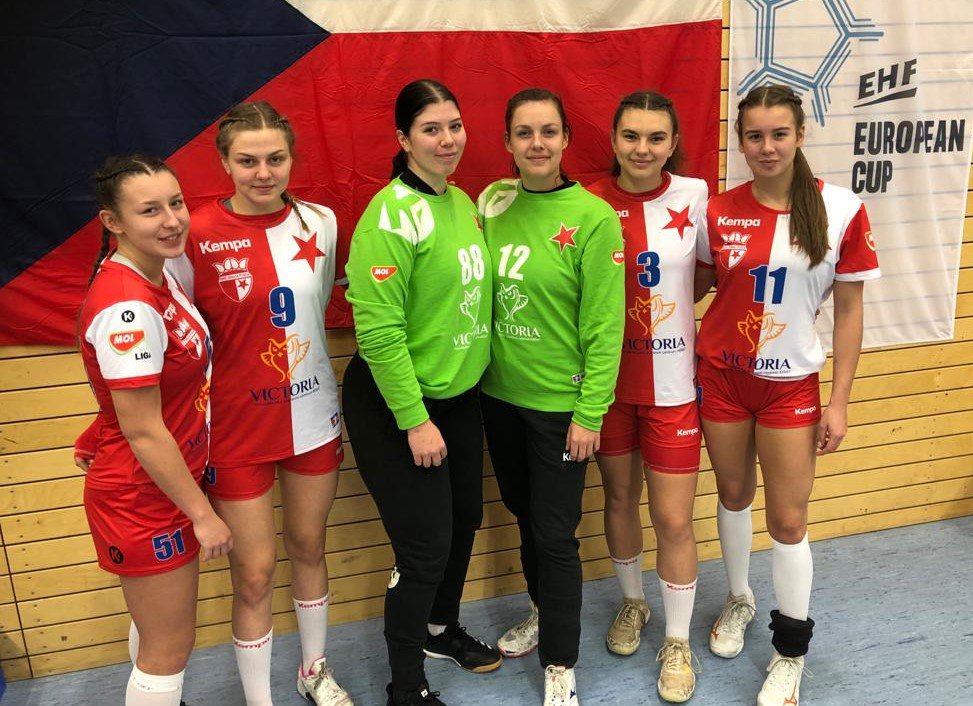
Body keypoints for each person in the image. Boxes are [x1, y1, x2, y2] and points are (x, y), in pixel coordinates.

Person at [695, 84, 880, 706]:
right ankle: (739, 598)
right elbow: (691, 286)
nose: (767, 146)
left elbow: (849, 312)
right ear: (741, 142)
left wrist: (839, 402)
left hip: (789, 388)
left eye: (779, 134)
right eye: (755, 136)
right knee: (732, 494)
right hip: (722, 378)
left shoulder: (841, 208)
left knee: (789, 520)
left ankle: (790, 652)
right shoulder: (718, 211)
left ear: (800, 134)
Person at [167, 101, 351, 706]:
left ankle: (313, 670)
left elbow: (319, 306)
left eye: (276, 158)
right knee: (252, 572)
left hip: (313, 418)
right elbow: (182, 336)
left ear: (292, 159)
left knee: (309, 547)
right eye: (247, 161)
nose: (263, 172)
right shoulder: (194, 235)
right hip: (236, 430)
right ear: (224, 163)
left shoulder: (320, 222)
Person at [343, 78, 500, 706]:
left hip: (458, 398)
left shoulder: (461, 203)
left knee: (464, 520)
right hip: (397, 404)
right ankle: (405, 686)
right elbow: (378, 332)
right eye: (431, 129)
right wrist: (413, 418)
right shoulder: (388, 215)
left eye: (454, 125)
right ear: (404, 139)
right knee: (424, 548)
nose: (447, 139)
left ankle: (440, 630)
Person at [478, 88, 625, 706]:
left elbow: (605, 326)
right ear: (508, 142)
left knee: (556, 533)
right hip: (497, 397)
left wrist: (590, 413)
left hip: (561, 408)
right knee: (523, 512)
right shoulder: (492, 201)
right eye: (524, 133)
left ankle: (561, 663)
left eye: (547, 132)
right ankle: (543, 612)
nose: (536, 144)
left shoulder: (594, 217)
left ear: (566, 139)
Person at [77, 154, 232, 706]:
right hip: (144, 495)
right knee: (168, 649)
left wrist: (100, 428)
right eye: (150, 210)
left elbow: (143, 394)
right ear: (112, 222)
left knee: (155, 635)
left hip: (157, 482)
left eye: (176, 203)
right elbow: (143, 432)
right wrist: (202, 515)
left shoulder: (154, 275)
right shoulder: (129, 304)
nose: (171, 220)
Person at [586, 90, 708, 703]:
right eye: (631, 136)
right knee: (618, 498)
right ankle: (633, 603)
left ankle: (678, 640)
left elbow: (706, 273)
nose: (642, 148)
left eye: (656, 137)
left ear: (672, 143)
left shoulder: (695, 195)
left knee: (674, 518)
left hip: (672, 390)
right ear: (613, 140)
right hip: (606, 390)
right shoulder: (587, 202)